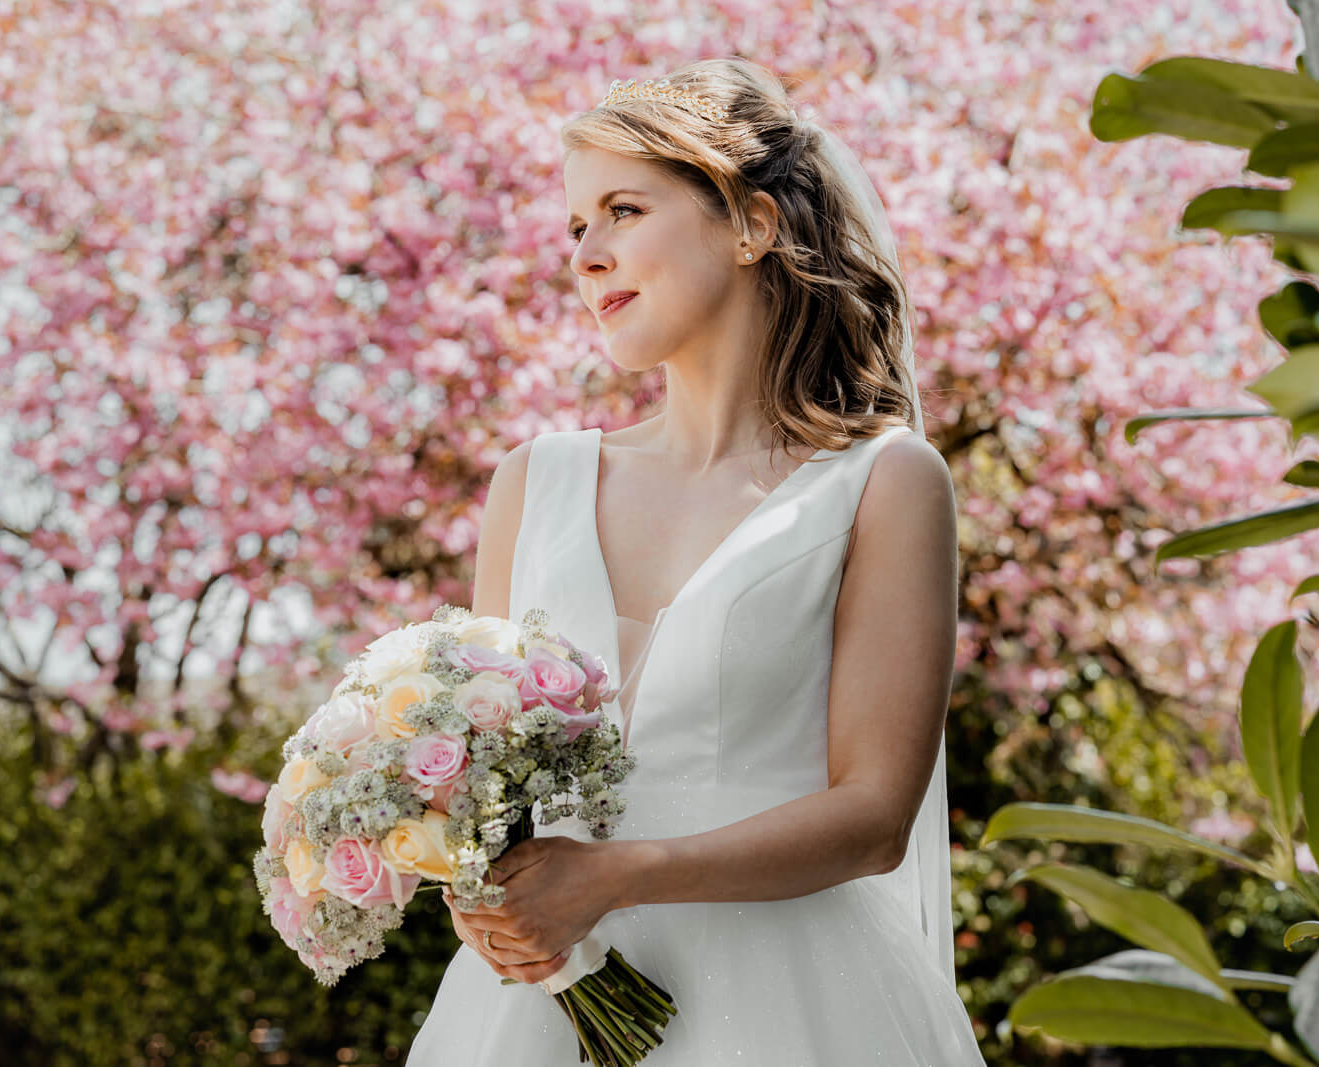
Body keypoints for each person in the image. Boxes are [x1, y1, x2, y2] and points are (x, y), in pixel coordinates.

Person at [406, 56, 985, 1064]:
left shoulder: (886, 485)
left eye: (622, 209)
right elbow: (481, 773)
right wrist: (475, 882)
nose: (586, 255)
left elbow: (873, 814)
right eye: (574, 227)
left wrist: (617, 873)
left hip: (794, 1004)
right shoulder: (531, 485)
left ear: (753, 225)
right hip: (533, 1005)